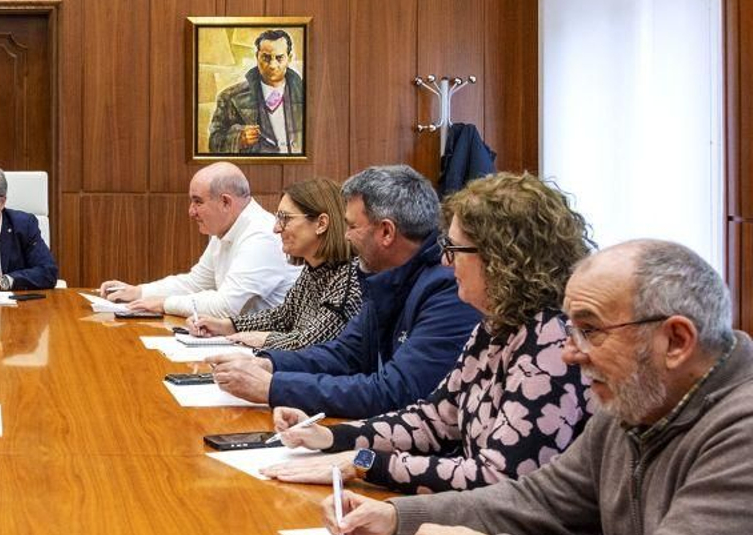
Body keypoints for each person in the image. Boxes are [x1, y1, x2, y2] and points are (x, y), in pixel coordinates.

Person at [325, 240, 753, 535]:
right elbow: (539, 501)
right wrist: (399, 516)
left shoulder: (741, 434)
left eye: (591, 331)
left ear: (676, 340)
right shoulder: (634, 404)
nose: (570, 352)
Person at [264, 173, 594, 493]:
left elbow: (500, 479)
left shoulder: (552, 340)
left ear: (502, 259)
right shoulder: (496, 325)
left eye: (455, 250)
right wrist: (332, 437)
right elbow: (434, 418)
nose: (447, 263)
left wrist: (367, 462)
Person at [210, 165, 479, 417]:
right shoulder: (385, 277)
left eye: (352, 226)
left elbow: (397, 391)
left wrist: (273, 387)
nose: (346, 236)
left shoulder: (448, 290)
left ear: (386, 232)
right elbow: (344, 353)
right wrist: (269, 364)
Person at [185, 176, 362, 349]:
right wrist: (225, 325)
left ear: (321, 224)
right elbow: (282, 317)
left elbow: (312, 344)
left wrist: (266, 339)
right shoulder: (314, 270)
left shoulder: (349, 280)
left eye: (286, 219)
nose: (276, 228)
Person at [100, 163, 296, 319]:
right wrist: (139, 292)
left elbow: (226, 307)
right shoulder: (227, 228)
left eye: (198, 202)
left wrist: (163, 303)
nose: (191, 211)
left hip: (267, 351)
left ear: (226, 202)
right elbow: (196, 283)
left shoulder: (262, 234)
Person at [207, 28, 305, 156]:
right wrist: (239, 138)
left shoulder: (307, 95)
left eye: (279, 58)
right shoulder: (230, 97)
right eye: (266, 57)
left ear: (290, 58)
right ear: (256, 57)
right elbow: (214, 143)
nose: (272, 65)